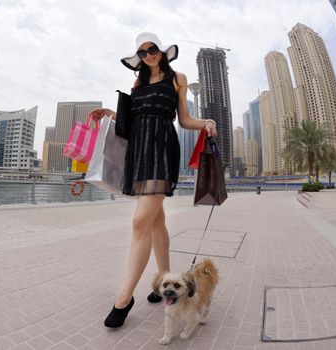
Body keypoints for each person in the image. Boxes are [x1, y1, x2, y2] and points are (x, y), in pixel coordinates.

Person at [90, 32, 218, 328]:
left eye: (152, 49)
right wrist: (111, 112)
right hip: (139, 153)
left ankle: (124, 297)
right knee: (156, 222)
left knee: (140, 222)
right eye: (142, 51)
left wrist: (206, 122)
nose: (148, 54)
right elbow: (133, 121)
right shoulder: (138, 84)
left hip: (162, 151)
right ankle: (166, 283)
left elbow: (184, 119)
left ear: (161, 51)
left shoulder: (178, 78)